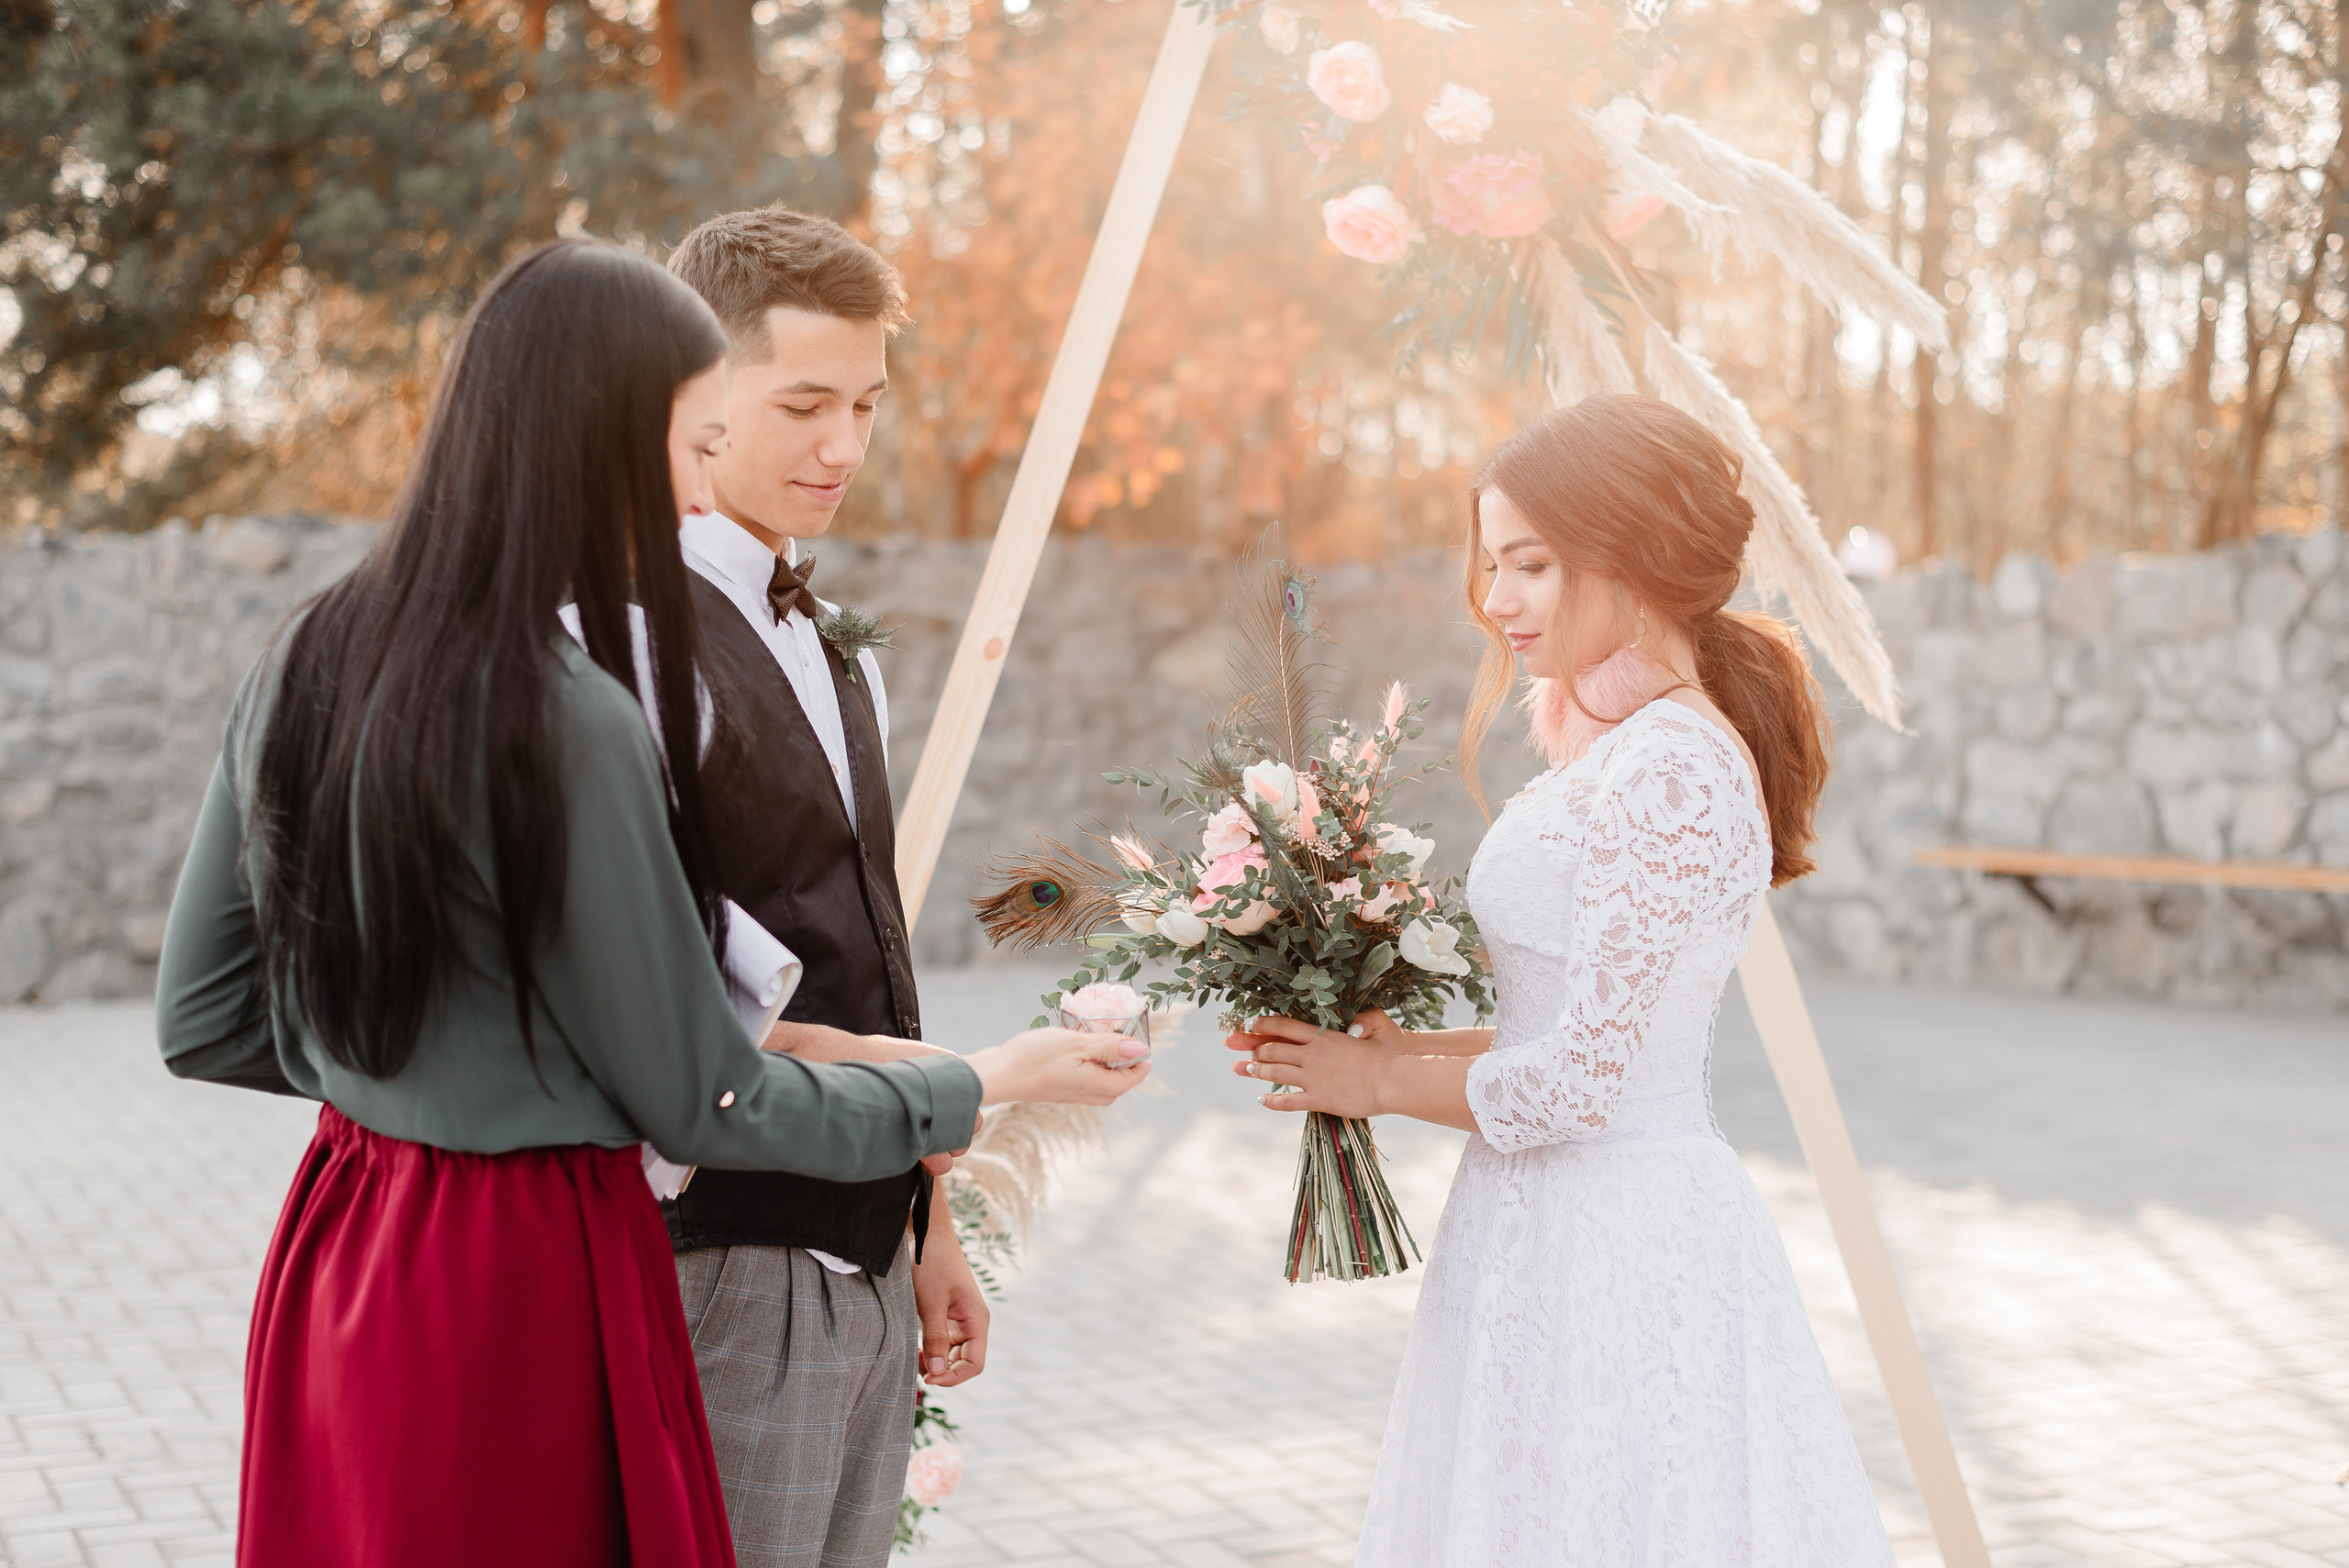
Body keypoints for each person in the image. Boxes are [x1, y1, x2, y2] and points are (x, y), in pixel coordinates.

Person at [153, 238, 1146, 1568]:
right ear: (600, 442)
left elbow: (206, 1020)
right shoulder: (574, 710)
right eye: (692, 441)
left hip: (346, 1240)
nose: (699, 481)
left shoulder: (311, 647)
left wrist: (435, 1070)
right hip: (531, 1254)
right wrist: (983, 1079)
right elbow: (705, 1101)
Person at [1228, 395, 1895, 1565]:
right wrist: (1390, 1055)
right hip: (1543, 1225)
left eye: (1528, 564)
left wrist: (1378, 1083)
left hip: (1616, 1241)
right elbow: (1570, 1033)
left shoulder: (1672, 773)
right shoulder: (1632, 753)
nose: (1495, 600)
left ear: (1629, 553)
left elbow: (1586, 1086)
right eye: (1491, 566)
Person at [636, 203, 987, 1568]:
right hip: (722, 1261)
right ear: (694, 393)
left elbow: (869, 950)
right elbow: (662, 990)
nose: (845, 446)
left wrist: (928, 1222)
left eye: (867, 403)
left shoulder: (841, 650)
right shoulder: (623, 644)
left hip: (867, 1256)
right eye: (803, 404)